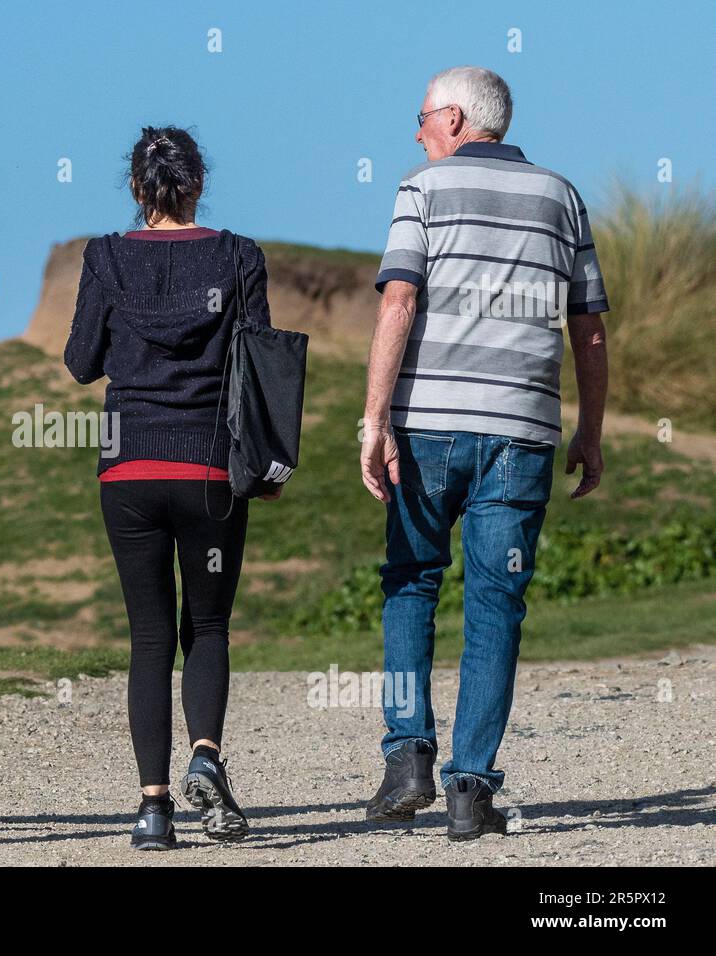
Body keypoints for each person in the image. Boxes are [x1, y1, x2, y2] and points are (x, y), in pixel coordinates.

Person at [360, 66, 609, 840]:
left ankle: (408, 755)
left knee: (410, 583)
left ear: (458, 118)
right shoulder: (561, 196)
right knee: (496, 604)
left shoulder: (419, 190)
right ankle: (471, 790)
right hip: (522, 432)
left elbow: (399, 298)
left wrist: (374, 418)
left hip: (429, 423)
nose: (417, 131)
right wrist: (590, 429)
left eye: (424, 115)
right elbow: (590, 327)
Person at [64, 126, 278, 850]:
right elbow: (259, 363)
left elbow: (80, 361)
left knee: (149, 636)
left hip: (129, 472)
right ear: (197, 184)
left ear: (137, 189)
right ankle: (206, 757)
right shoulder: (237, 255)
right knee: (208, 627)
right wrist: (270, 464)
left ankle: (153, 812)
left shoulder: (107, 256)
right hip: (212, 470)